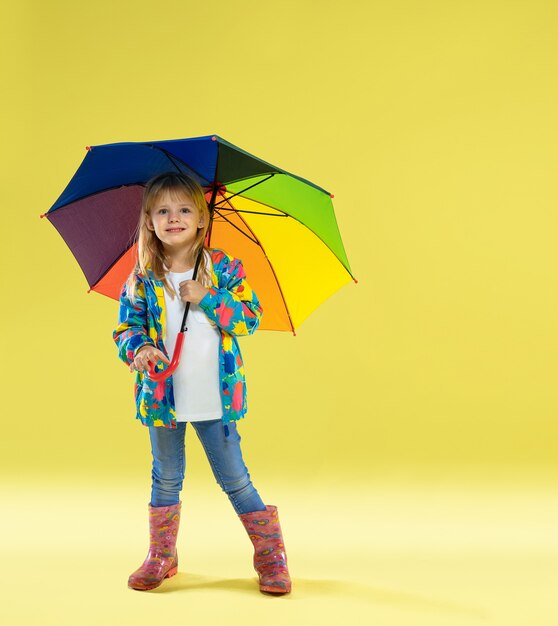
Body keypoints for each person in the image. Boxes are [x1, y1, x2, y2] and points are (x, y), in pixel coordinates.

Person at [113, 171, 291, 595]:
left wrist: (208, 297)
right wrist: (140, 351)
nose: (174, 218)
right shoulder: (141, 278)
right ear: (150, 221)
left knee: (235, 479)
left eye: (184, 210)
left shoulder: (224, 268)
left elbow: (250, 318)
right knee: (165, 478)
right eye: (163, 211)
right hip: (163, 399)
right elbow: (125, 330)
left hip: (216, 398)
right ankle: (162, 556)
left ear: (201, 220)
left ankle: (271, 557)